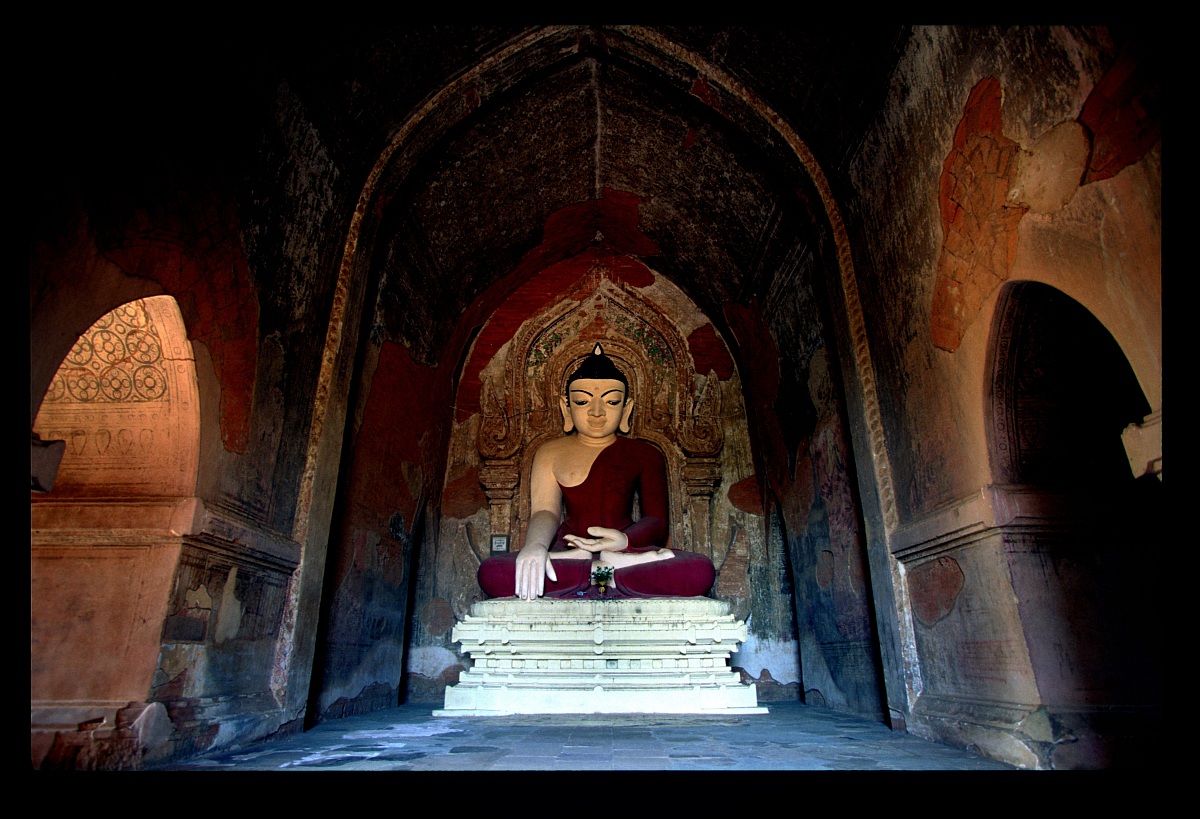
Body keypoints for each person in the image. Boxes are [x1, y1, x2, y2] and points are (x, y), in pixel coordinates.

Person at [477, 343, 716, 600]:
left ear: (626, 409)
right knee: (492, 573)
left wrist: (624, 541)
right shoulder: (549, 452)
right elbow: (545, 511)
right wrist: (535, 547)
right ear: (566, 408)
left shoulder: (645, 453)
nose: (597, 412)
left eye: (612, 402)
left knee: (699, 570)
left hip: (625, 549)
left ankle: (600, 568)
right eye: (582, 401)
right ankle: (604, 572)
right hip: (570, 551)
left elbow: (656, 521)